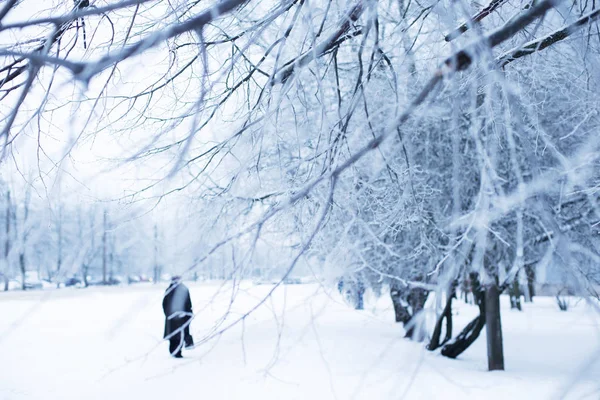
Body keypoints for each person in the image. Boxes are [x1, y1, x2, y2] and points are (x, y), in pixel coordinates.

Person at [162, 276, 194, 358]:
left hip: (173, 317)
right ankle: (177, 352)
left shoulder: (170, 290)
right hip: (180, 317)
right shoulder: (183, 289)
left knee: (174, 335)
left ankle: (174, 352)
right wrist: (188, 313)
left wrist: (168, 314)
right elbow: (188, 304)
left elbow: (164, 304)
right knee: (179, 334)